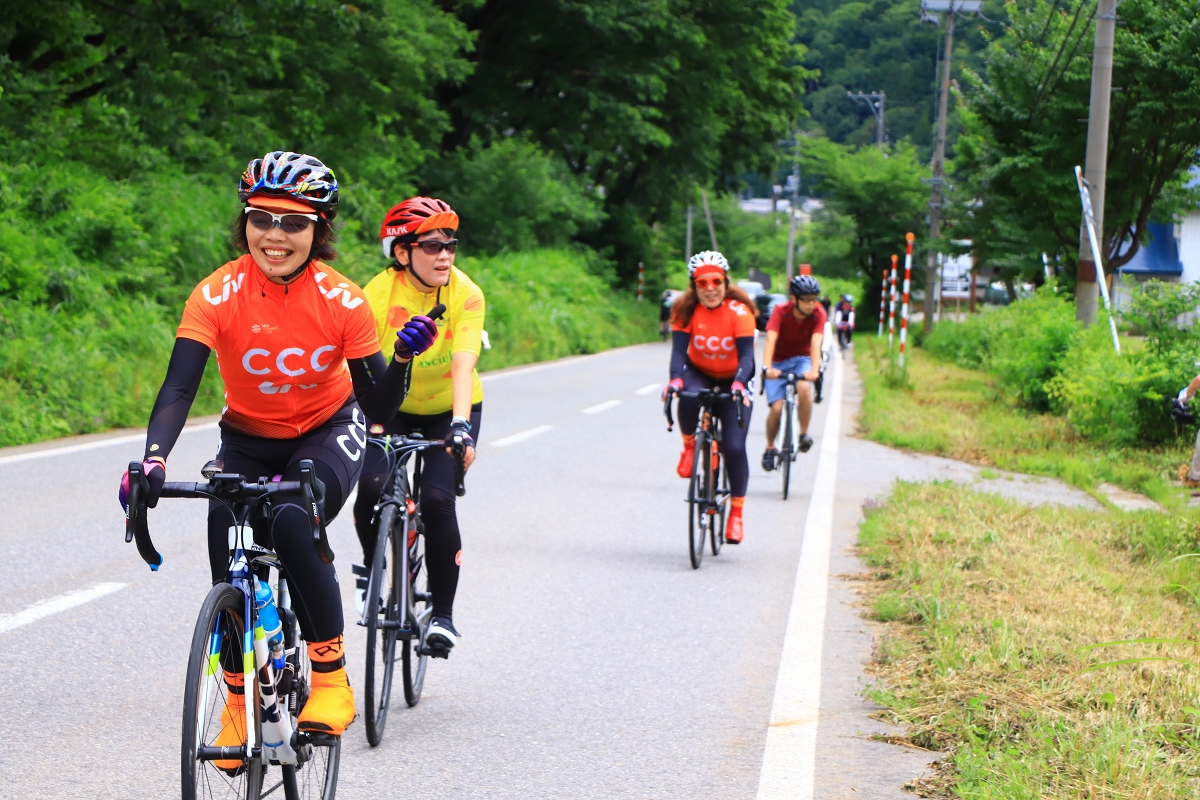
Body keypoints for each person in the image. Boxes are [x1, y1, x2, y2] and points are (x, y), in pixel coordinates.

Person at [119, 152, 438, 763]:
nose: (276, 235)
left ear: (319, 231)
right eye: (262, 219)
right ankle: (238, 704)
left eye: (294, 223)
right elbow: (180, 387)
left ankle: (330, 677)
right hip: (247, 434)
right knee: (226, 532)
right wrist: (154, 460)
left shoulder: (342, 301)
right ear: (245, 224)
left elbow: (378, 407)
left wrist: (400, 361)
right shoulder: (217, 291)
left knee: (293, 519)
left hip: (327, 429)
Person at [353, 196, 485, 657]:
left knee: (436, 500)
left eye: (450, 244)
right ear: (402, 252)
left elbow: (463, 366)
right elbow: (356, 367)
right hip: (390, 407)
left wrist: (462, 426)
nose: (445, 254)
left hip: (450, 409)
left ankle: (443, 617)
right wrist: (362, 418)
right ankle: (373, 571)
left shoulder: (466, 293)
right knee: (369, 485)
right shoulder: (376, 293)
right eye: (431, 246)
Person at [663, 251, 755, 544]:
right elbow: (679, 353)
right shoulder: (685, 311)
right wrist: (675, 379)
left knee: (734, 447)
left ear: (726, 283)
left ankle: (736, 515)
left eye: (716, 281)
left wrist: (740, 383)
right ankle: (689, 446)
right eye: (702, 283)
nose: (710, 288)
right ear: (694, 286)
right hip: (700, 372)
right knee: (686, 395)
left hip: (733, 379)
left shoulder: (740, 312)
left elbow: (748, 357)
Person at [761, 274, 826, 470]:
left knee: (804, 387)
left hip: (802, 359)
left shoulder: (818, 314)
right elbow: (770, 340)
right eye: (806, 300)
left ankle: (803, 434)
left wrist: (814, 370)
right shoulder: (780, 311)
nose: (811, 304)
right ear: (794, 299)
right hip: (778, 361)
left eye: (814, 299)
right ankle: (770, 447)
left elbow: (816, 343)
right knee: (777, 408)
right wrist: (767, 368)